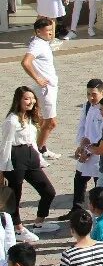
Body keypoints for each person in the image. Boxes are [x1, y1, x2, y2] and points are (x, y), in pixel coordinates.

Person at [1, 88, 58, 242]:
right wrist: (2, 169)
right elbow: (5, 145)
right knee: (14, 196)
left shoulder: (30, 118)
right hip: (16, 158)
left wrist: (40, 158)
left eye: (32, 99)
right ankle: (17, 228)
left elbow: (33, 141)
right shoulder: (11, 120)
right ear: (18, 100)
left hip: (30, 156)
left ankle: (39, 223)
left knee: (48, 191)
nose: (31, 101)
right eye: (27, 99)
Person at [19, 19, 59, 166]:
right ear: (38, 32)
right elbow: (25, 62)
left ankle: (41, 149)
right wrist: (38, 78)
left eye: (51, 30)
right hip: (45, 89)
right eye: (47, 31)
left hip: (50, 87)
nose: (51, 33)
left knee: (41, 122)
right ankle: (36, 154)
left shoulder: (43, 42)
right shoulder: (37, 45)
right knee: (51, 123)